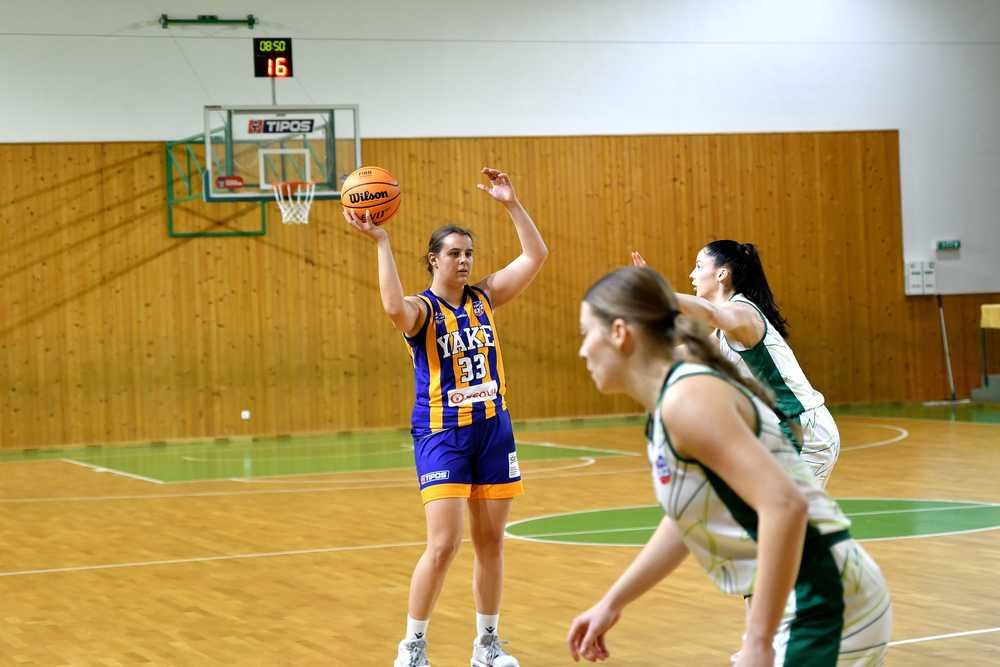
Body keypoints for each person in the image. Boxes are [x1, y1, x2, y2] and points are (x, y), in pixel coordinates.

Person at [567, 267, 891, 666]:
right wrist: (612, 602)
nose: (582, 350)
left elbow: (785, 506)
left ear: (620, 332)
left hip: (822, 601)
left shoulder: (689, 399)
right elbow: (687, 518)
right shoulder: (671, 403)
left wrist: (758, 640)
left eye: (586, 333)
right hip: (813, 597)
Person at [344, 168, 547, 667]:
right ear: (434, 259)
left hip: (493, 429)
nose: (464, 260)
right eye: (454, 253)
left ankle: (487, 645)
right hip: (442, 433)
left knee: (491, 543)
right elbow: (392, 306)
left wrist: (512, 204)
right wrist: (381, 242)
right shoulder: (422, 310)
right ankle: (412, 647)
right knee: (443, 545)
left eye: (468, 253)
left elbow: (535, 256)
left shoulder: (484, 297)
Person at [632, 242, 839, 487]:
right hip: (781, 430)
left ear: (722, 274)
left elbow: (711, 314)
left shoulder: (743, 312)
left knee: (776, 509)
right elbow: (683, 353)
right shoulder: (725, 331)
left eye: (699, 266)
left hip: (804, 430)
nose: (692, 274)